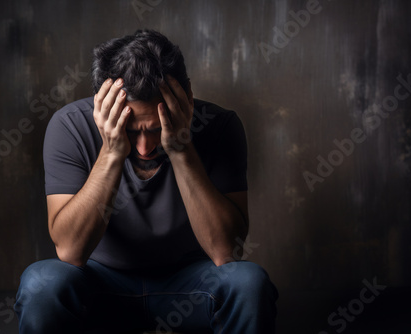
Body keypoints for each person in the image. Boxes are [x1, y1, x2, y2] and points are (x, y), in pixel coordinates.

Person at [14, 29, 278, 333]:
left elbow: (225, 252)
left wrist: (180, 149)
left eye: (155, 128)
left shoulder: (221, 126)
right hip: (100, 284)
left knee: (249, 282)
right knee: (40, 283)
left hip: (191, 285)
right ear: (102, 103)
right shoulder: (69, 126)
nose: (144, 147)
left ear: (186, 97)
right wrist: (112, 152)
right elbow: (70, 252)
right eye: (130, 130)